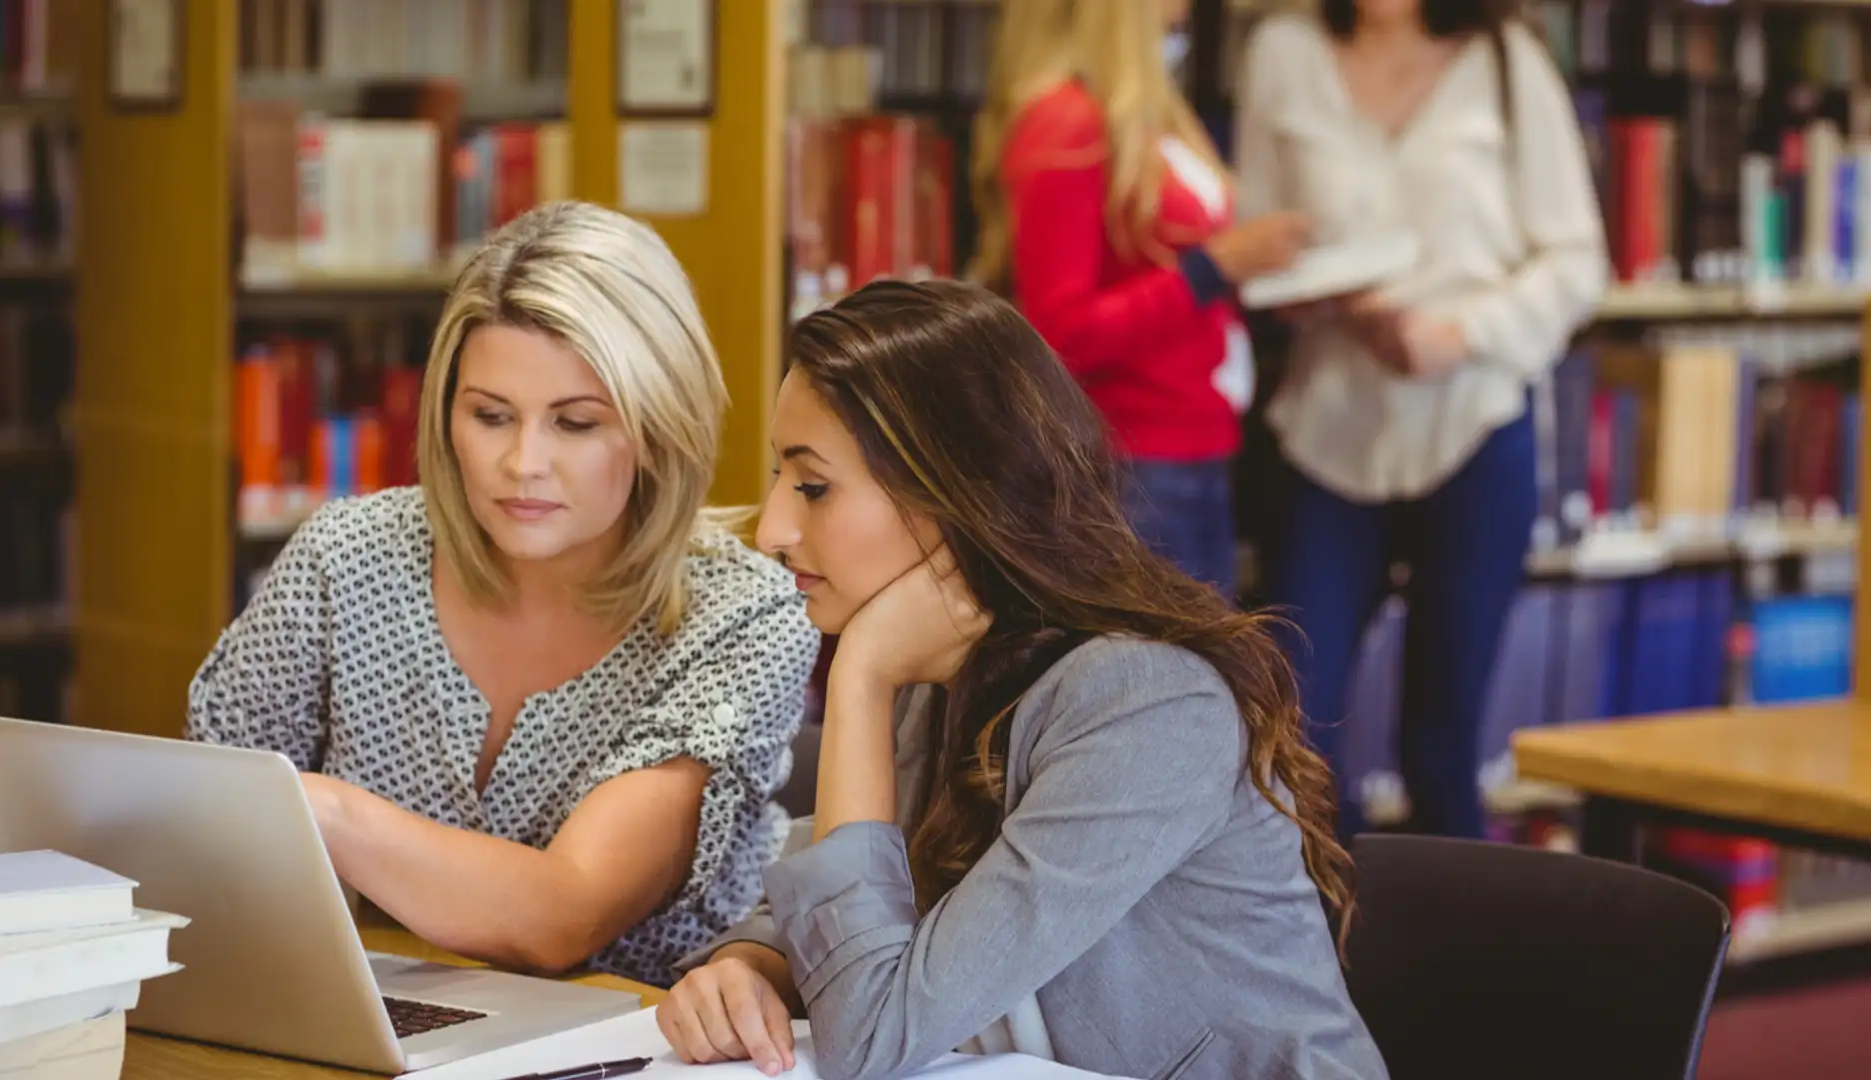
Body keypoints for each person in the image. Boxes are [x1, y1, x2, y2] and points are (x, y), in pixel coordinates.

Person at [657, 280, 1386, 1080]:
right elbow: (860, 904)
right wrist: (754, 966)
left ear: (951, 494)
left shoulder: (1145, 707)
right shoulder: (944, 678)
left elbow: (868, 1036)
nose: (774, 529)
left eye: (814, 486)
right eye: (778, 477)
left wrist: (860, 678)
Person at [185, 202, 820, 987]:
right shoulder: (345, 558)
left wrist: (313, 807)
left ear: (661, 424)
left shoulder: (744, 614)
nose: (523, 463)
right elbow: (200, 828)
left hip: (642, 1046)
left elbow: (567, 915)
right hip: (382, 1022)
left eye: (576, 424)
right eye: (490, 415)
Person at [1235, 0, 1607, 839]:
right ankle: (1322, 951)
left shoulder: (1506, 57)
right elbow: (1253, 239)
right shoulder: (1282, 54)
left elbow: (1578, 260)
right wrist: (1320, 293)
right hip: (1327, 430)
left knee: (1442, 740)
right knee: (1292, 729)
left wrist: (1460, 335)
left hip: (1473, 428)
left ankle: (1457, 963)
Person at [968, 0, 1311, 596]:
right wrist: (1210, 269)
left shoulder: (1144, 115)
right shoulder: (1068, 123)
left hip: (1194, 451)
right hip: (1134, 463)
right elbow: (1060, 333)